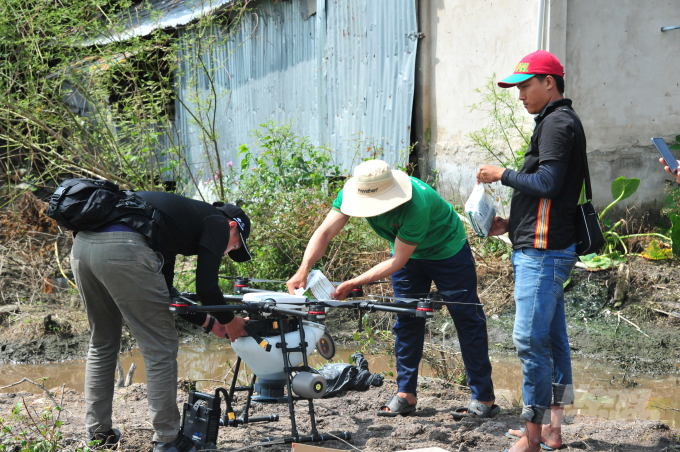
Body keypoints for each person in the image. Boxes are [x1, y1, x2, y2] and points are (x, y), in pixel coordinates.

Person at [286, 159, 498, 418]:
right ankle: (406, 394)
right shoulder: (355, 191)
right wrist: (303, 268)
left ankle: (483, 398)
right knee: (407, 318)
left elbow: (398, 260)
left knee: (467, 319)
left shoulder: (415, 205)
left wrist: (353, 283)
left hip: (447, 251)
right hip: (408, 255)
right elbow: (325, 232)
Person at [71, 192, 252, 452]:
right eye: (234, 246)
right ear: (233, 226)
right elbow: (207, 288)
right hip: (123, 247)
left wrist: (211, 323)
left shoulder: (171, 225)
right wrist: (231, 321)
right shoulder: (218, 222)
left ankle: (99, 435)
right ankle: (168, 440)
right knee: (160, 345)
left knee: (101, 342)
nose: (227, 251)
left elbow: (166, 293)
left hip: (83, 246)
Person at [475, 50, 583, 452]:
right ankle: (553, 429)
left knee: (528, 342)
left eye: (525, 85)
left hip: (543, 254)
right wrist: (510, 225)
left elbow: (550, 182)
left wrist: (501, 174)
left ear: (548, 83)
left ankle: (533, 436)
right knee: (552, 342)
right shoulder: (556, 121)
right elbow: (547, 190)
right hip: (538, 246)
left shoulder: (557, 122)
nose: (519, 94)